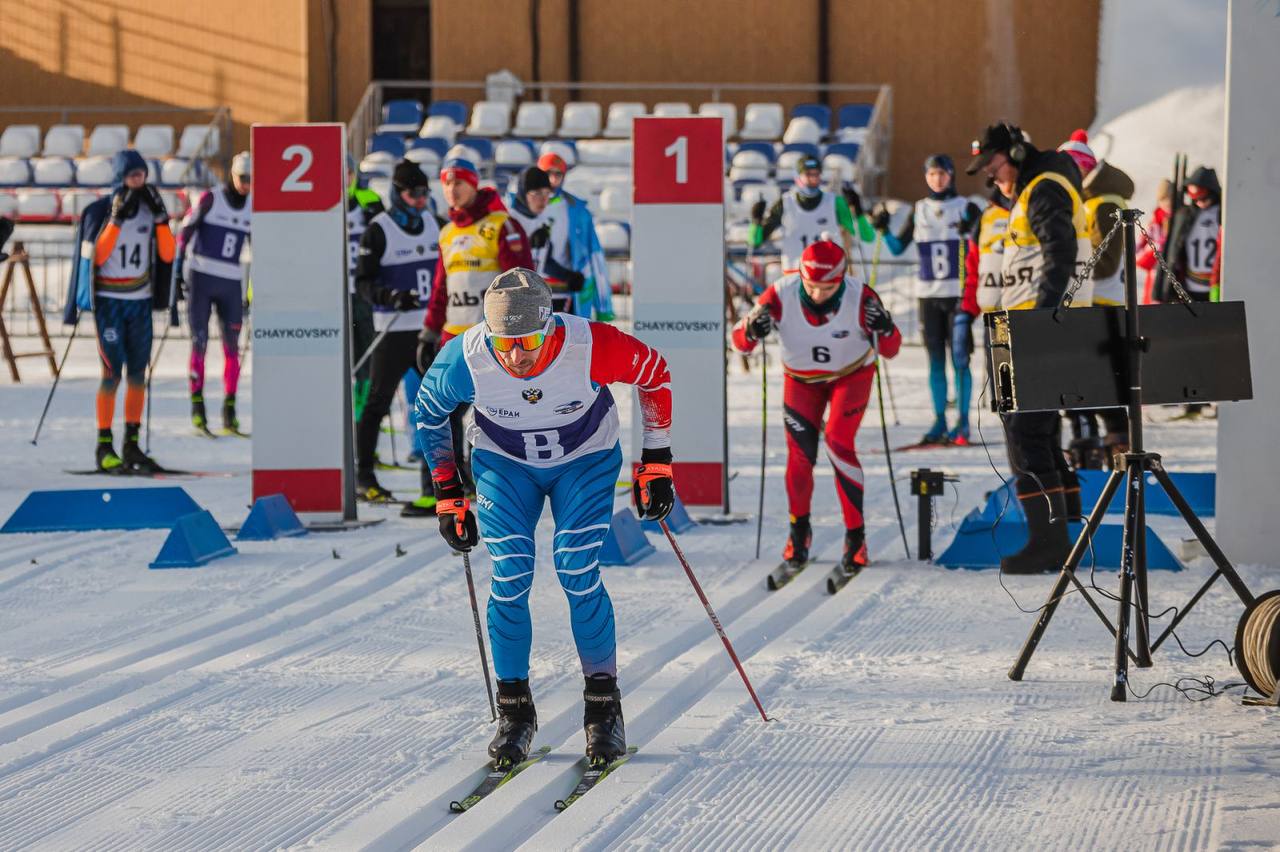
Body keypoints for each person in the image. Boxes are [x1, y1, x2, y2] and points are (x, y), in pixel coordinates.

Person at [413, 268, 674, 767]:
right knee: (510, 573)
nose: (516, 355)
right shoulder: (466, 357)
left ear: (549, 325)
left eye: (528, 339)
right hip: (505, 465)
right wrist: (447, 490)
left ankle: (603, 710)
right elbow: (428, 413)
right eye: (504, 342)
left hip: (585, 459)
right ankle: (515, 712)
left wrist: (657, 460)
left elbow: (655, 374)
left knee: (576, 567)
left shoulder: (590, 344)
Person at [731, 239, 901, 576]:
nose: (818, 294)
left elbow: (891, 349)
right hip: (800, 381)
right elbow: (739, 340)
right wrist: (752, 330)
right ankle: (799, 532)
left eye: (827, 288)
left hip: (850, 376)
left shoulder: (861, 296)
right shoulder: (782, 293)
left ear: (841, 279)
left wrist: (884, 326)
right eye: (812, 286)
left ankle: (855, 537)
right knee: (799, 455)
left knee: (839, 443)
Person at [966, 122, 1092, 574]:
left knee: (1027, 435)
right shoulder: (1024, 193)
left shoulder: (1043, 188)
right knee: (1030, 432)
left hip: (1034, 327)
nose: (990, 177)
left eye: (993, 166)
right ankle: (1063, 535)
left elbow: (1059, 254)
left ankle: (1051, 541)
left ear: (1016, 153)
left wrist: (1042, 321)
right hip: (1009, 325)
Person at [420, 157, 533, 495]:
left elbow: (523, 281)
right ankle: (454, 481)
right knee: (445, 410)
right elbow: (442, 286)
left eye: (459, 183)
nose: (452, 190)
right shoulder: (448, 231)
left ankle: (493, 477)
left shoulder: (501, 224)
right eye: (447, 184)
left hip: (493, 338)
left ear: (474, 184)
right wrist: (429, 330)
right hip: (454, 336)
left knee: (492, 409)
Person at [63, 148, 175, 473]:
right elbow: (97, 258)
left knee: (139, 374)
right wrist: (115, 220)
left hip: (139, 299)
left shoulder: (147, 209)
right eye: (131, 174)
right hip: (110, 301)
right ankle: (104, 444)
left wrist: (162, 219)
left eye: (141, 174)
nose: (137, 180)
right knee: (112, 372)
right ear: (119, 177)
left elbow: (168, 254)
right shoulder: (100, 211)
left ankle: (132, 443)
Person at [873, 154, 980, 444]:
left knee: (960, 360)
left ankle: (963, 422)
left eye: (942, 173)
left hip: (957, 297)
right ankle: (939, 421)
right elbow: (897, 248)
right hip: (928, 297)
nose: (937, 179)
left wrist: (970, 233)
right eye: (931, 174)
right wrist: (881, 227)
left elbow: (981, 243)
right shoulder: (919, 210)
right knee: (935, 361)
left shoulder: (966, 207)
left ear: (951, 175)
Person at [353, 160, 441, 511]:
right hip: (393, 331)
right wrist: (389, 297)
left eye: (424, 193)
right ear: (397, 193)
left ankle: (443, 479)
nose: (420, 201)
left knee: (441, 406)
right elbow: (362, 282)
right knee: (377, 403)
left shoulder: (437, 224)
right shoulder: (380, 229)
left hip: (429, 332)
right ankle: (365, 477)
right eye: (413, 194)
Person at [1059, 132, 1134, 467]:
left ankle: (1111, 459)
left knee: (1100, 390)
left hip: (1102, 305)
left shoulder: (1103, 203)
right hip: (1094, 304)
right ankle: (1099, 457)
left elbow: (1104, 263)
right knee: (1095, 390)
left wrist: (1064, 260)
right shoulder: (1092, 200)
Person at [176, 151, 252, 435]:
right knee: (200, 343)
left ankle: (229, 411)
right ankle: (198, 410)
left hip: (231, 281)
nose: (247, 184)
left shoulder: (252, 206)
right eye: (243, 178)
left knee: (232, 349)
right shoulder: (211, 198)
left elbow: (258, 247)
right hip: (202, 279)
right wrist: (177, 269)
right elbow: (185, 230)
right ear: (232, 175)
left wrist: (254, 290)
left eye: (251, 180)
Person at [1162, 165, 1222, 417]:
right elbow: (1175, 250)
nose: (1200, 203)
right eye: (1195, 198)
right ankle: (1192, 399)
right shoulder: (1187, 215)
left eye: (1204, 198)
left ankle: (1211, 395)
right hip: (1189, 287)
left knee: (1214, 345)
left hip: (1214, 287)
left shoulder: (1222, 214)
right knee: (1190, 345)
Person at [749, 154, 874, 273]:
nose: (814, 179)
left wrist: (858, 212)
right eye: (808, 174)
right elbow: (755, 242)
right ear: (797, 177)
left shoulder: (835, 202)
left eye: (817, 174)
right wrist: (756, 222)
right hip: (796, 273)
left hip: (828, 274)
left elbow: (866, 237)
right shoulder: (785, 203)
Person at [540, 152, 615, 321]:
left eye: (557, 174)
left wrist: (603, 306)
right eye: (547, 174)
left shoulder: (577, 210)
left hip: (571, 290)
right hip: (535, 288)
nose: (552, 179)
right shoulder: (521, 208)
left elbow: (595, 256)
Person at [504, 166, 583, 313]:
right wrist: (527, 245)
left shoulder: (542, 221)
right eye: (537, 193)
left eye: (547, 194)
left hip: (532, 297)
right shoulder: (509, 221)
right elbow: (506, 265)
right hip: (509, 299)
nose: (543, 200)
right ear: (523, 193)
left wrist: (568, 276)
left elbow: (545, 261)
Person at [346, 154, 386, 422]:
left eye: (347, 172)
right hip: (336, 291)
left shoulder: (369, 200)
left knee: (366, 354)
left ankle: (363, 411)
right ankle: (344, 407)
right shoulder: (325, 205)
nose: (343, 179)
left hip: (362, 290)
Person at [1136, 180, 1173, 305]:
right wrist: (1156, 247)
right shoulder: (1154, 223)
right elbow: (1137, 252)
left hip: (1174, 278)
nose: (1167, 203)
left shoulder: (1180, 218)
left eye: (1170, 198)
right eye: (1163, 199)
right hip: (1154, 276)